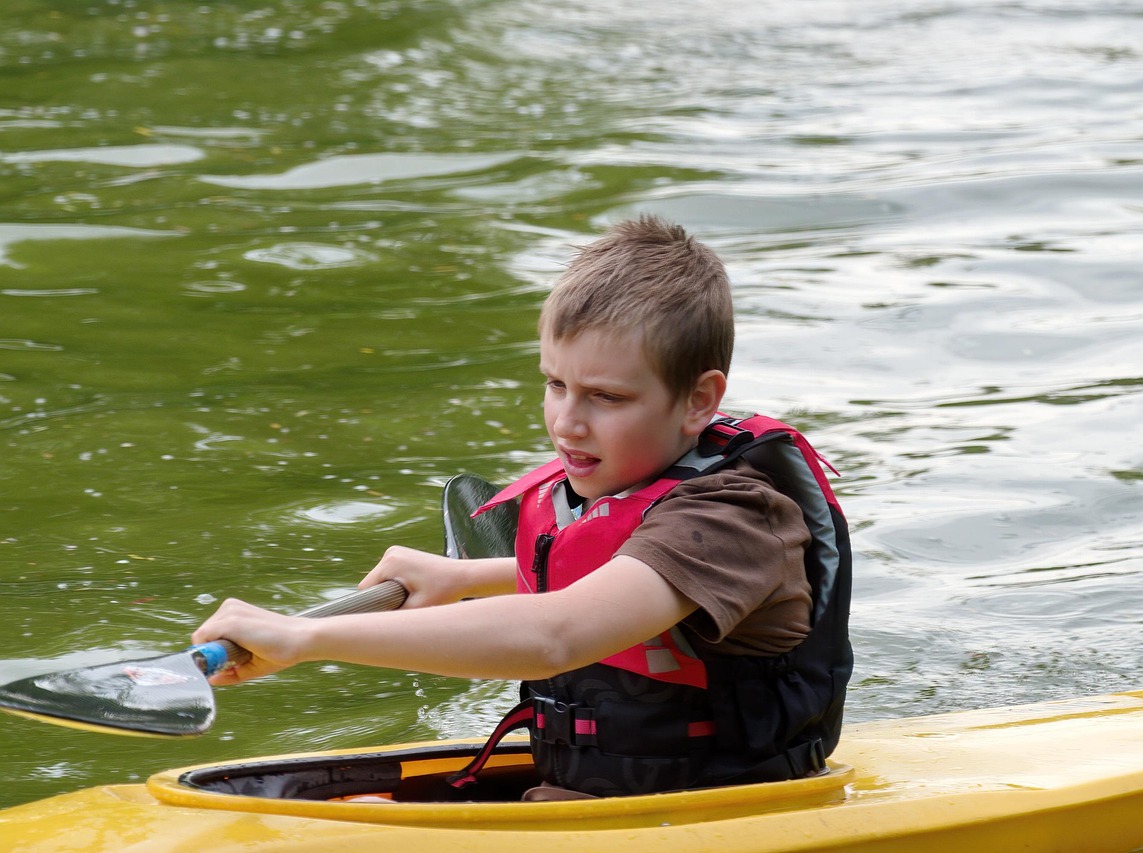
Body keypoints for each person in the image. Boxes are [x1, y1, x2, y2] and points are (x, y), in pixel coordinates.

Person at [193, 216, 852, 800]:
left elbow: (556, 634)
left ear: (699, 401)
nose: (567, 422)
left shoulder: (732, 518)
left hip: (720, 811)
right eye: (555, 383)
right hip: (592, 798)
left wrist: (306, 637)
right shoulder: (629, 492)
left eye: (606, 397)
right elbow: (620, 575)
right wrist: (464, 578)